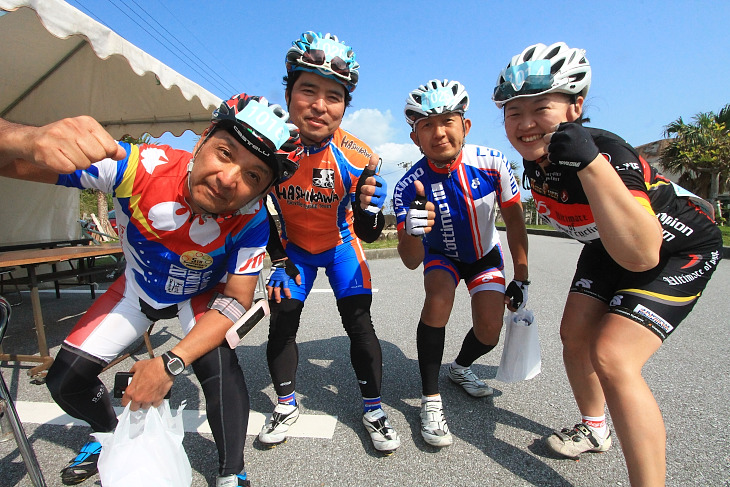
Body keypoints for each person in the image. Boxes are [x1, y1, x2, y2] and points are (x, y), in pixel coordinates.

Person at [0, 93, 304, 487]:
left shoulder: (253, 219)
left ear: (262, 191)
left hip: (197, 297)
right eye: (225, 153)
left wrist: (169, 364)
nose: (229, 180)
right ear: (202, 140)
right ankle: (109, 437)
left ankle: (232, 471)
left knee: (221, 371)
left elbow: (237, 299)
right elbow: (15, 162)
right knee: (63, 380)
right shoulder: (138, 166)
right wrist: (26, 138)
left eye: (253, 176)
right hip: (136, 287)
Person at [492, 42, 722, 486]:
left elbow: (641, 254)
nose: (525, 123)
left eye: (541, 107)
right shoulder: (535, 160)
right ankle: (595, 429)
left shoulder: (606, 151)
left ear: (575, 107)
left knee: (613, 357)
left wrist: (592, 165)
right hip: (606, 242)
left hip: (676, 249)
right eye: (513, 111)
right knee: (574, 335)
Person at [258, 31, 400, 454]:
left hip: (340, 245)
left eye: (333, 96)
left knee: (359, 324)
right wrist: (278, 258)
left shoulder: (359, 156)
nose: (320, 105)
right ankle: (285, 405)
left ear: (344, 105)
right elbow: (259, 211)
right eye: (308, 90)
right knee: (282, 320)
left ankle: (373, 409)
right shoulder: (268, 146)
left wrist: (371, 208)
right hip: (294, 248)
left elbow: (371, 234)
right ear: (288, 94)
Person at [392, 79, 529, 447]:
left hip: (485, 255)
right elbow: (409, 261)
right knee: (437, 300)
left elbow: (515, 220)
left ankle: (461, 368)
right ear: (415, 138)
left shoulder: (492, 162)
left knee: (489, 332)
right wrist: (412, 230)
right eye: (426, 126)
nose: (439, 133)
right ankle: (430, 400)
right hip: (441, 257)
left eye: (447, 121)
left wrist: (523, 276)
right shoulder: (408, 185)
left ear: (465, 126)